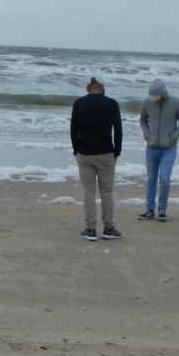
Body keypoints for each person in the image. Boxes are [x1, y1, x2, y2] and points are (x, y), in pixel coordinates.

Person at [70, 77, 123, 241]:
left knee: (89, 192)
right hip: (106, 153)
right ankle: (109, 228)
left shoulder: (79, 103)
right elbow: (118, 130)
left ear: (88, 89)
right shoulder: (111, 103)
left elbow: (74, 129)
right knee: (107, 192)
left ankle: (90, 229)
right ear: (102, 89)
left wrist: (76, 149)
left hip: (85, 154)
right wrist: (117, 150)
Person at [138, 78, 179, 221]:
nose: (155, 99)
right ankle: (149, 209)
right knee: (151, 179)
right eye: (152, 96)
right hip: (151, 147)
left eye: (157, 96)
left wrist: (174, 137)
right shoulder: (147, 102)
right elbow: (142, 120)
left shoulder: (176, 103)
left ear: (163, 93)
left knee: (164, 179)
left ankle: (162, 209)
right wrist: (146, 134)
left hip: (169, 148)